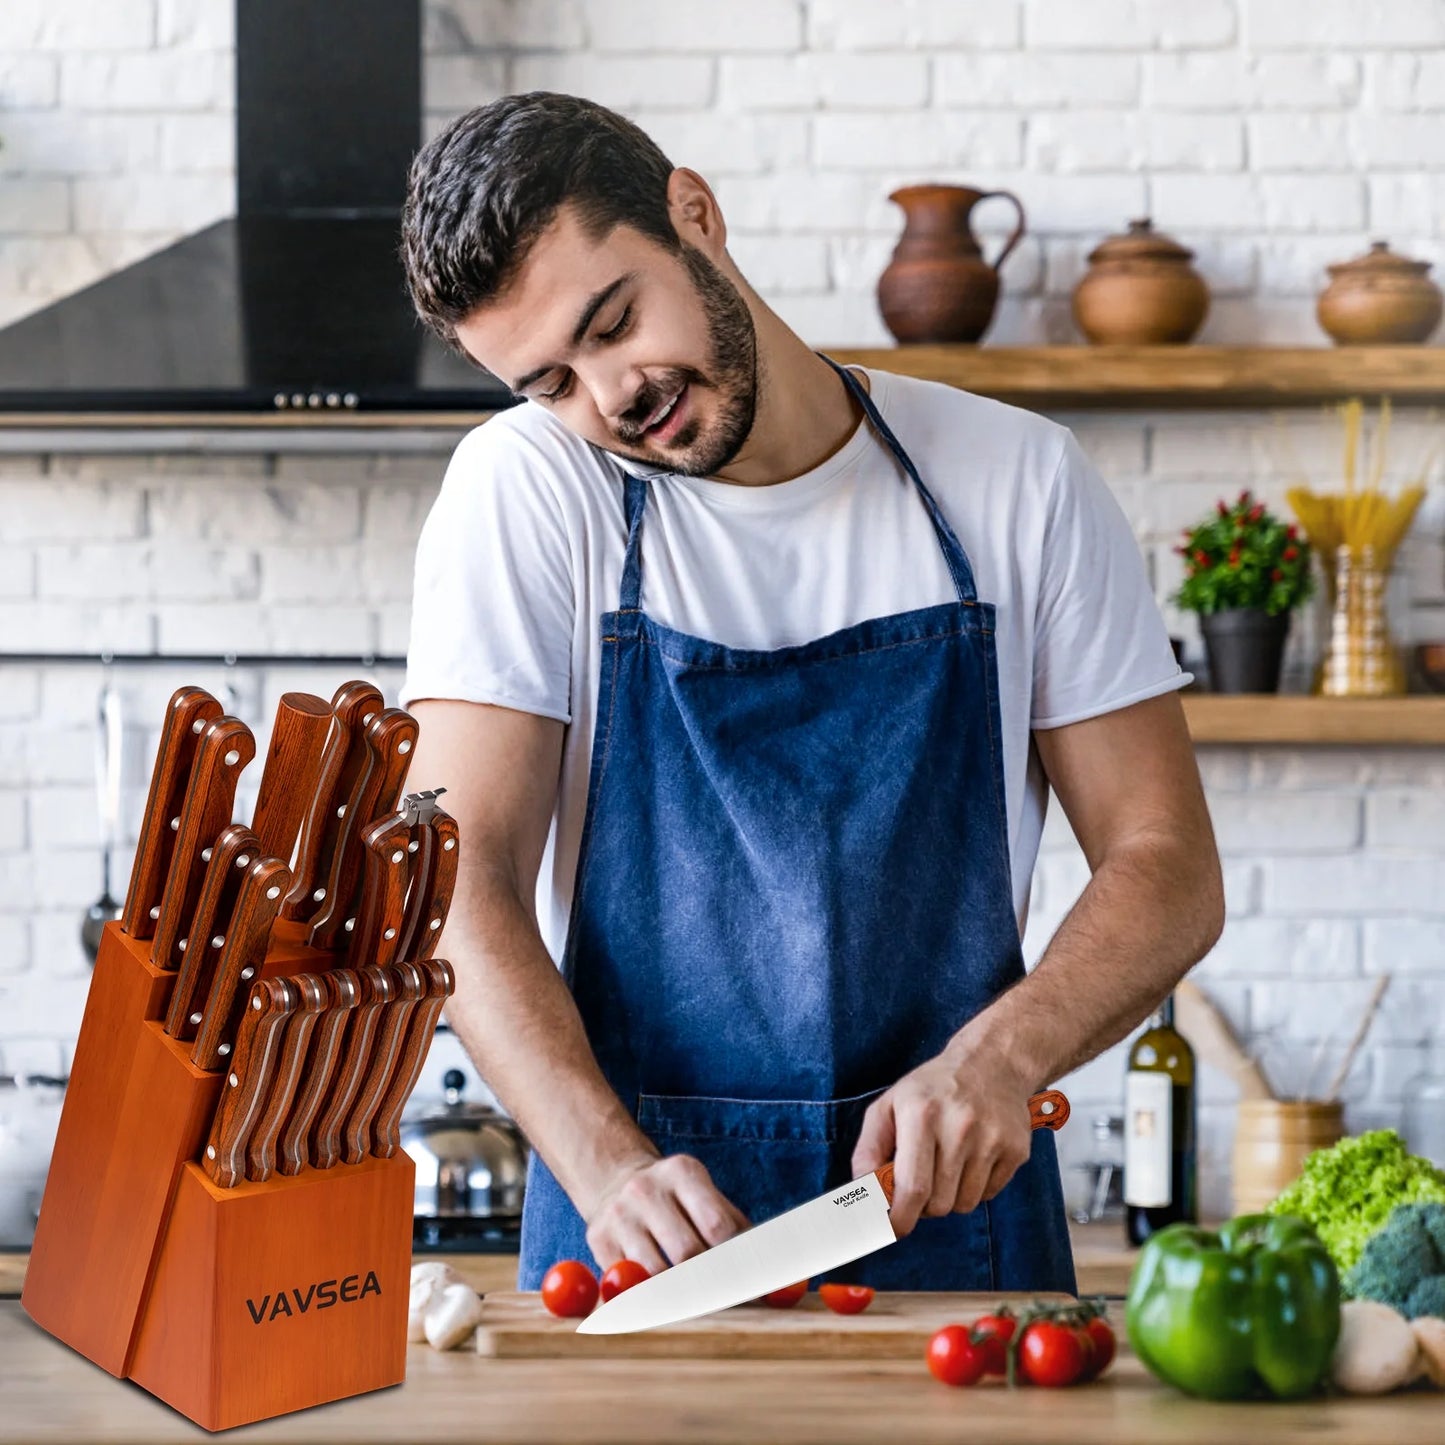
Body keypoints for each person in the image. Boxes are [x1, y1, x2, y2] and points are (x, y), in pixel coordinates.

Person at [397, 92, 1224, 1293]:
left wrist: (1000, 1059)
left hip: (954, 1210)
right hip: (641, 1232)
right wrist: (602, 1162)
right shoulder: (527, 491)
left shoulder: (1014, 481)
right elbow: (456, 883)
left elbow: (1168, 862)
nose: (610, 398)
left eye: (614, 322)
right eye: (550, 383)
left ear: (694, 213)